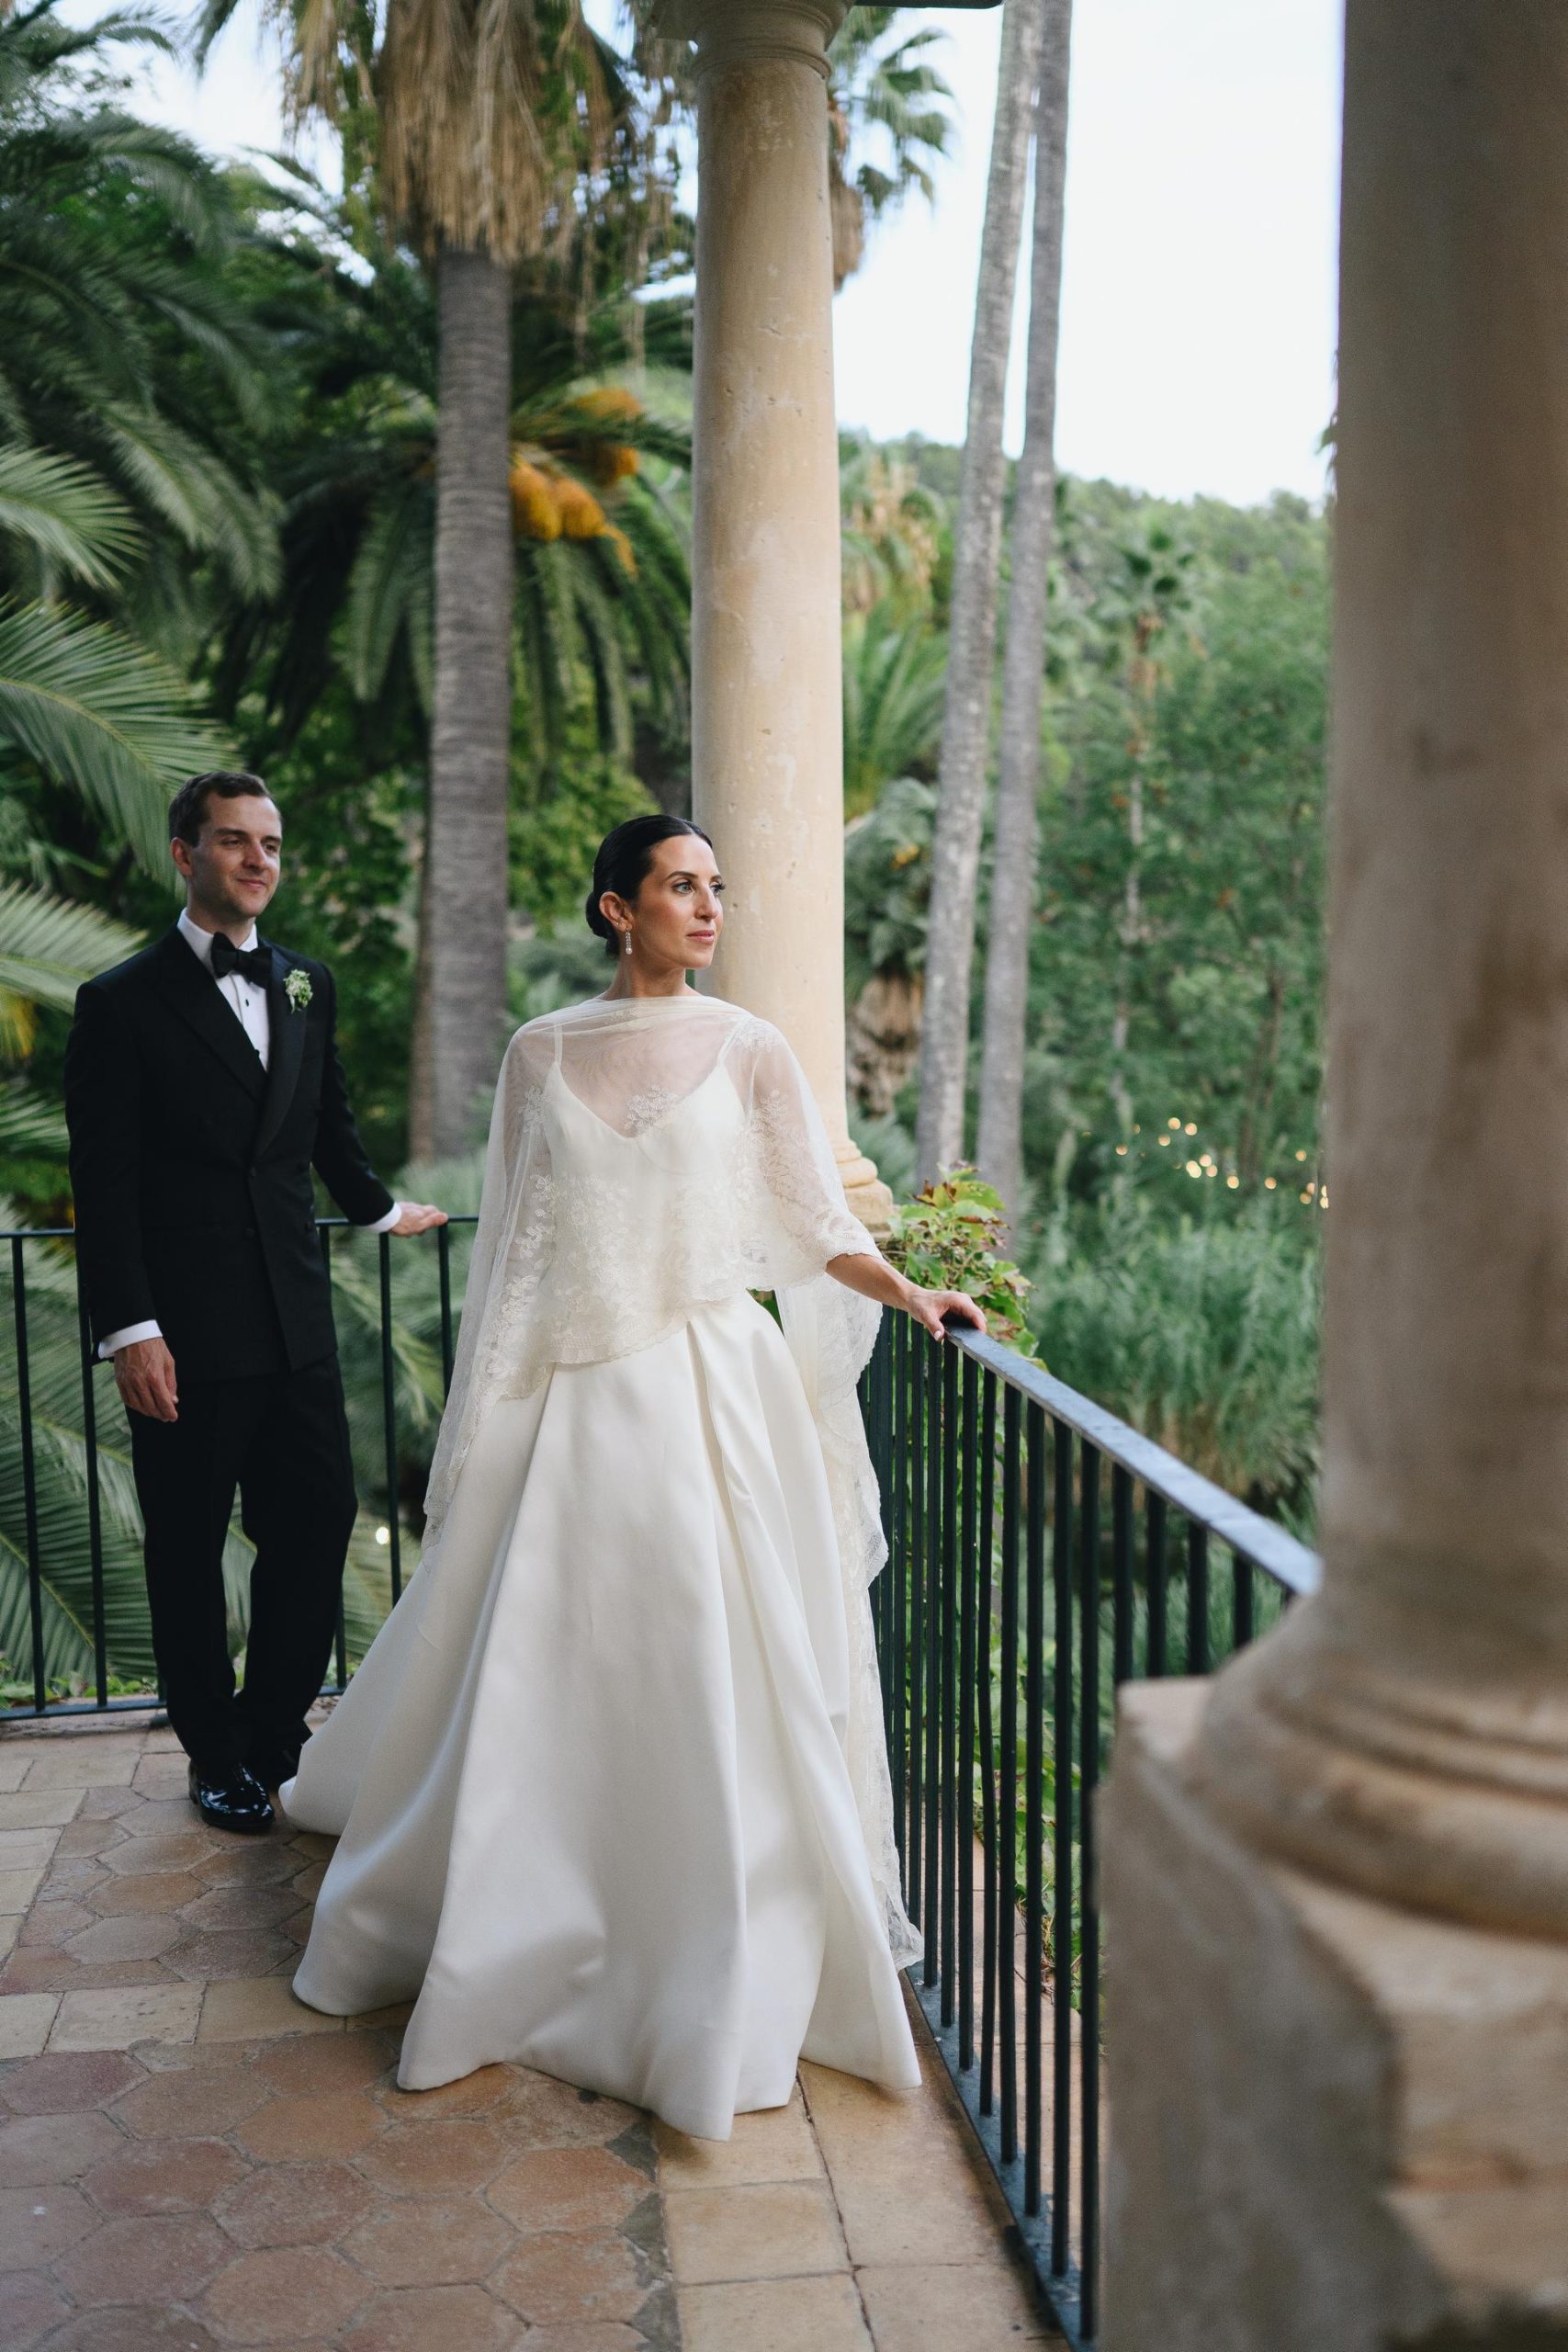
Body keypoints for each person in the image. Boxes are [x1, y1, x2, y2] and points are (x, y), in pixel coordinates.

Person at [281, 812, 986, 2141]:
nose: (708, 906)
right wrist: (483, 1420)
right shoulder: (537, 1050)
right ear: (618, 908)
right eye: (680, 885)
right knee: (555, 1664)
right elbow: (516, 1256)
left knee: (715, 1661)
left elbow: (814, 1218)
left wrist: (909, 1291)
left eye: (716, 885)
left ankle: (702, 1938)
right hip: (575, 1407)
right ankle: (528, 1921)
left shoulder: (753, 1046)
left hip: (716, 1397)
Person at [63, 771, 446, 1837]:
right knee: (189, 1552)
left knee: (317, 1524)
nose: (258, 860)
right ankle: (215, 1753)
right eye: (234, 841)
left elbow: (328, 1128)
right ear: (184, 854)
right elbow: (105, 1186)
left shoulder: (307, 983)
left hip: (295, 1323)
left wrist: (380, 1209)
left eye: (270, 844)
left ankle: (278, 1736)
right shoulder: (120, 1003)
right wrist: (131, 1329)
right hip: (182, 1336)